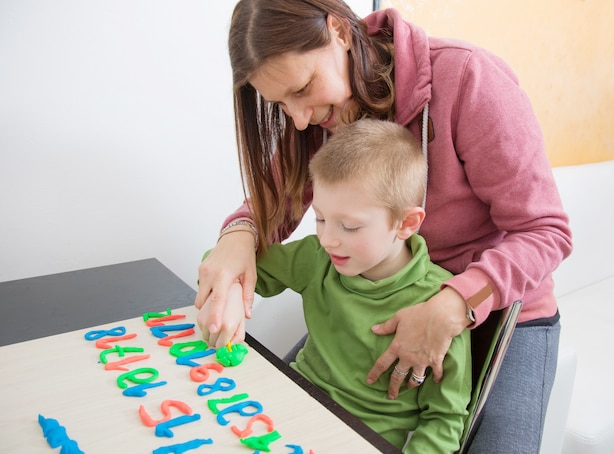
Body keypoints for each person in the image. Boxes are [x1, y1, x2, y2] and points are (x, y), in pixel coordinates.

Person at [195, 1, 573, 452]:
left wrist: (452, 304)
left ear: (337, 31)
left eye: (302, 89)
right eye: (280, 104)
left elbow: (546, 230)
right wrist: (238, 236)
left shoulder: (469, 77)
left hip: (503, 312)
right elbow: (272, 203)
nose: (297, 118)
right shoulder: (318, 111)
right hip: (381, 302)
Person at [198, 118, 472, 452]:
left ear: (407, 223)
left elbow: (444, 421)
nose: (328, 239)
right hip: (280, 411)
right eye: (321, 219)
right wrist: (227, 298)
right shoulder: (317, 258)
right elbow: (227, 265)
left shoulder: (439, 307)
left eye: (350, 227)